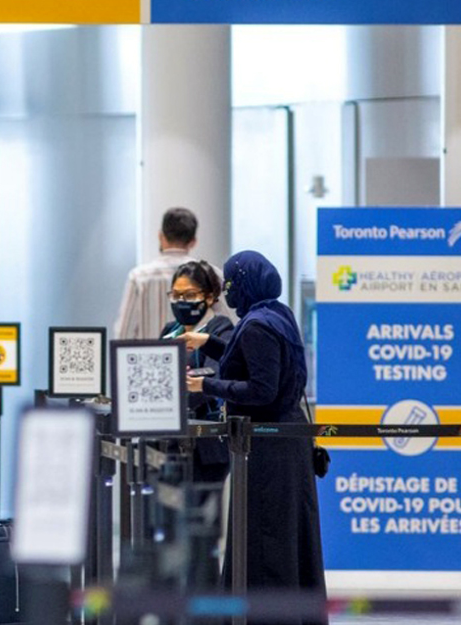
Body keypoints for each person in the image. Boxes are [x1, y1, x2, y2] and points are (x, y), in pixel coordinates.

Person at [181, 251, 326, 625]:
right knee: (288, 538)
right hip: (286, 443)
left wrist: (206, 385)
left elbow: (261, 389)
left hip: (268, 448)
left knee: (266, 540)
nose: (228, 291)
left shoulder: (257, 325)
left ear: (243, 284)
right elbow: (247, 356)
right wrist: (207, 341)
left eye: (231, 283)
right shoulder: (276, 314)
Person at [160, 261, 234, 485]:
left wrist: (176, 384)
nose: (181, 301)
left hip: (205, 444)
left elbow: (213, 376)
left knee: (201, 504)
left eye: (190, 295)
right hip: (168, 440)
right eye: (176, 295)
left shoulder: (220, 328)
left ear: (209, 297)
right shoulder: (169, 331)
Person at [115, 207, 228, 340]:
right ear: (193, 241)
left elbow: (124, 334)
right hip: (198, 352)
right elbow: (225, 329)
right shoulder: (212, 274)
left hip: (150, 352)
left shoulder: (139, 277)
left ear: (160, 236)